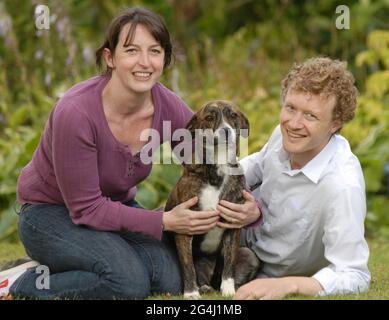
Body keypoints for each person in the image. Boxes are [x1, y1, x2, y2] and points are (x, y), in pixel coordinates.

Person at [0, 7, 251, 300]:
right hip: (51, 214)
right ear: (110, 57)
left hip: (117, 210)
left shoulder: (167, 107)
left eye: (154, 51)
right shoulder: (77, 114)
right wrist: (163, 221)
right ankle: (20, 281)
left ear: (164, 59)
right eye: (131, 50)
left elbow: (208, 163)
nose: (144, 62)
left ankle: (83, 264)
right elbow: (86, 209)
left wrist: (248, 208)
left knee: (170, 278)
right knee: (127, 283)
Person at [216, 57, 370, 299]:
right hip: (231, 239)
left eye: (310, 116)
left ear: (335, 123)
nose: (294, 124)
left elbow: (354, 274)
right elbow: (255, 165)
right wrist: (213, 184)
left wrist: (289, 285)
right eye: (290, 108)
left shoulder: (341, 186)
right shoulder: (284, 133)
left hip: (264, 270)